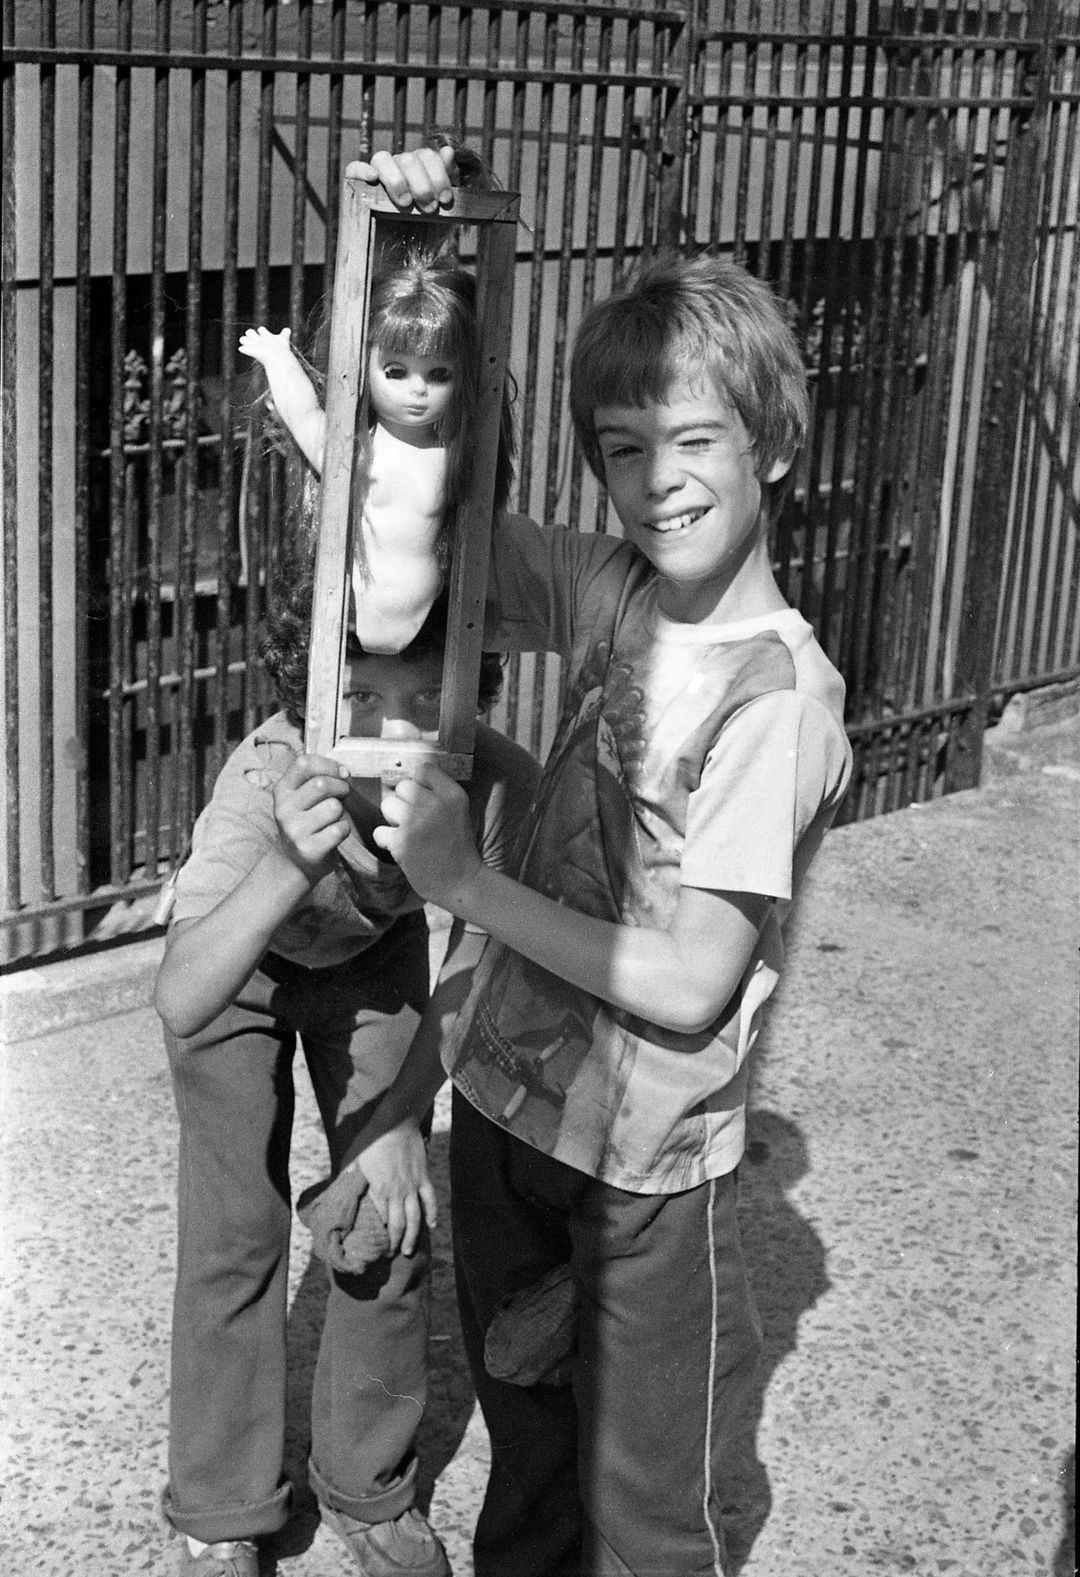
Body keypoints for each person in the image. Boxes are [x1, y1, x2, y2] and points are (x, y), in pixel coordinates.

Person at [349, 144, 854, 1576]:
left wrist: (468, 887)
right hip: (513, 1118)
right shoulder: (615, 590)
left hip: (644, 1173)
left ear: (771, 444)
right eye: (622, 448)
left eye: (692, 439)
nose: (655, 480)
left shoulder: (779, 696)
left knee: (643, 1513)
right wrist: (420, 249)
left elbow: (696, 983)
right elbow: (425, 507)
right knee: (531, 1450)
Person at [153, 567, 541, 1577]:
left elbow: (480, 955)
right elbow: (184, 995)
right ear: (311, 688)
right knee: (234, 1230)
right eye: (361, 698)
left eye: (427, 698)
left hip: (371, 955)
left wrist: (402, 1117)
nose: (397, 731)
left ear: (471, 689)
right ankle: (219, 1506)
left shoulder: (492, 778)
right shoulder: (267, 777)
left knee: (389, 1211)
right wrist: (287, 859)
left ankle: (367, 1486)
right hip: (243, 959)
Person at [239, 250, 510, 657]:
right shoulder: (354, 454)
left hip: (431, 613)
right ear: (365, 368)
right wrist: (278, 357)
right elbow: (306, 415)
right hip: (352, 606)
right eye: (396, 371)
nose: (417, 390)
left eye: (439, 374)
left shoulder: (457, 453)